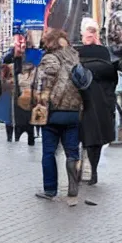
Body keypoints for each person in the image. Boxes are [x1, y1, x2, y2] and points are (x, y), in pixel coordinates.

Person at [35, 29, 82, 206]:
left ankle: (50, 189)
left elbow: (44, 82)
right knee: (72, 152)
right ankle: (72, 186)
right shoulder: (75, 57)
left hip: (53, 112)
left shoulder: (50, 58)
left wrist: (41, 101)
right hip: (73, 111)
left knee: (48, 152)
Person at [77, 19, 118, 186]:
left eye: (92, 33)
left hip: (88, 100)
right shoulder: (105, 54)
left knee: (87, 137)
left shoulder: (79, 53)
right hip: (97, 101)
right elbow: (112, 77)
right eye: (89, 33)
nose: (90, 36)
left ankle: (87, 169)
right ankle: (89, 170)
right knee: (94, 138)